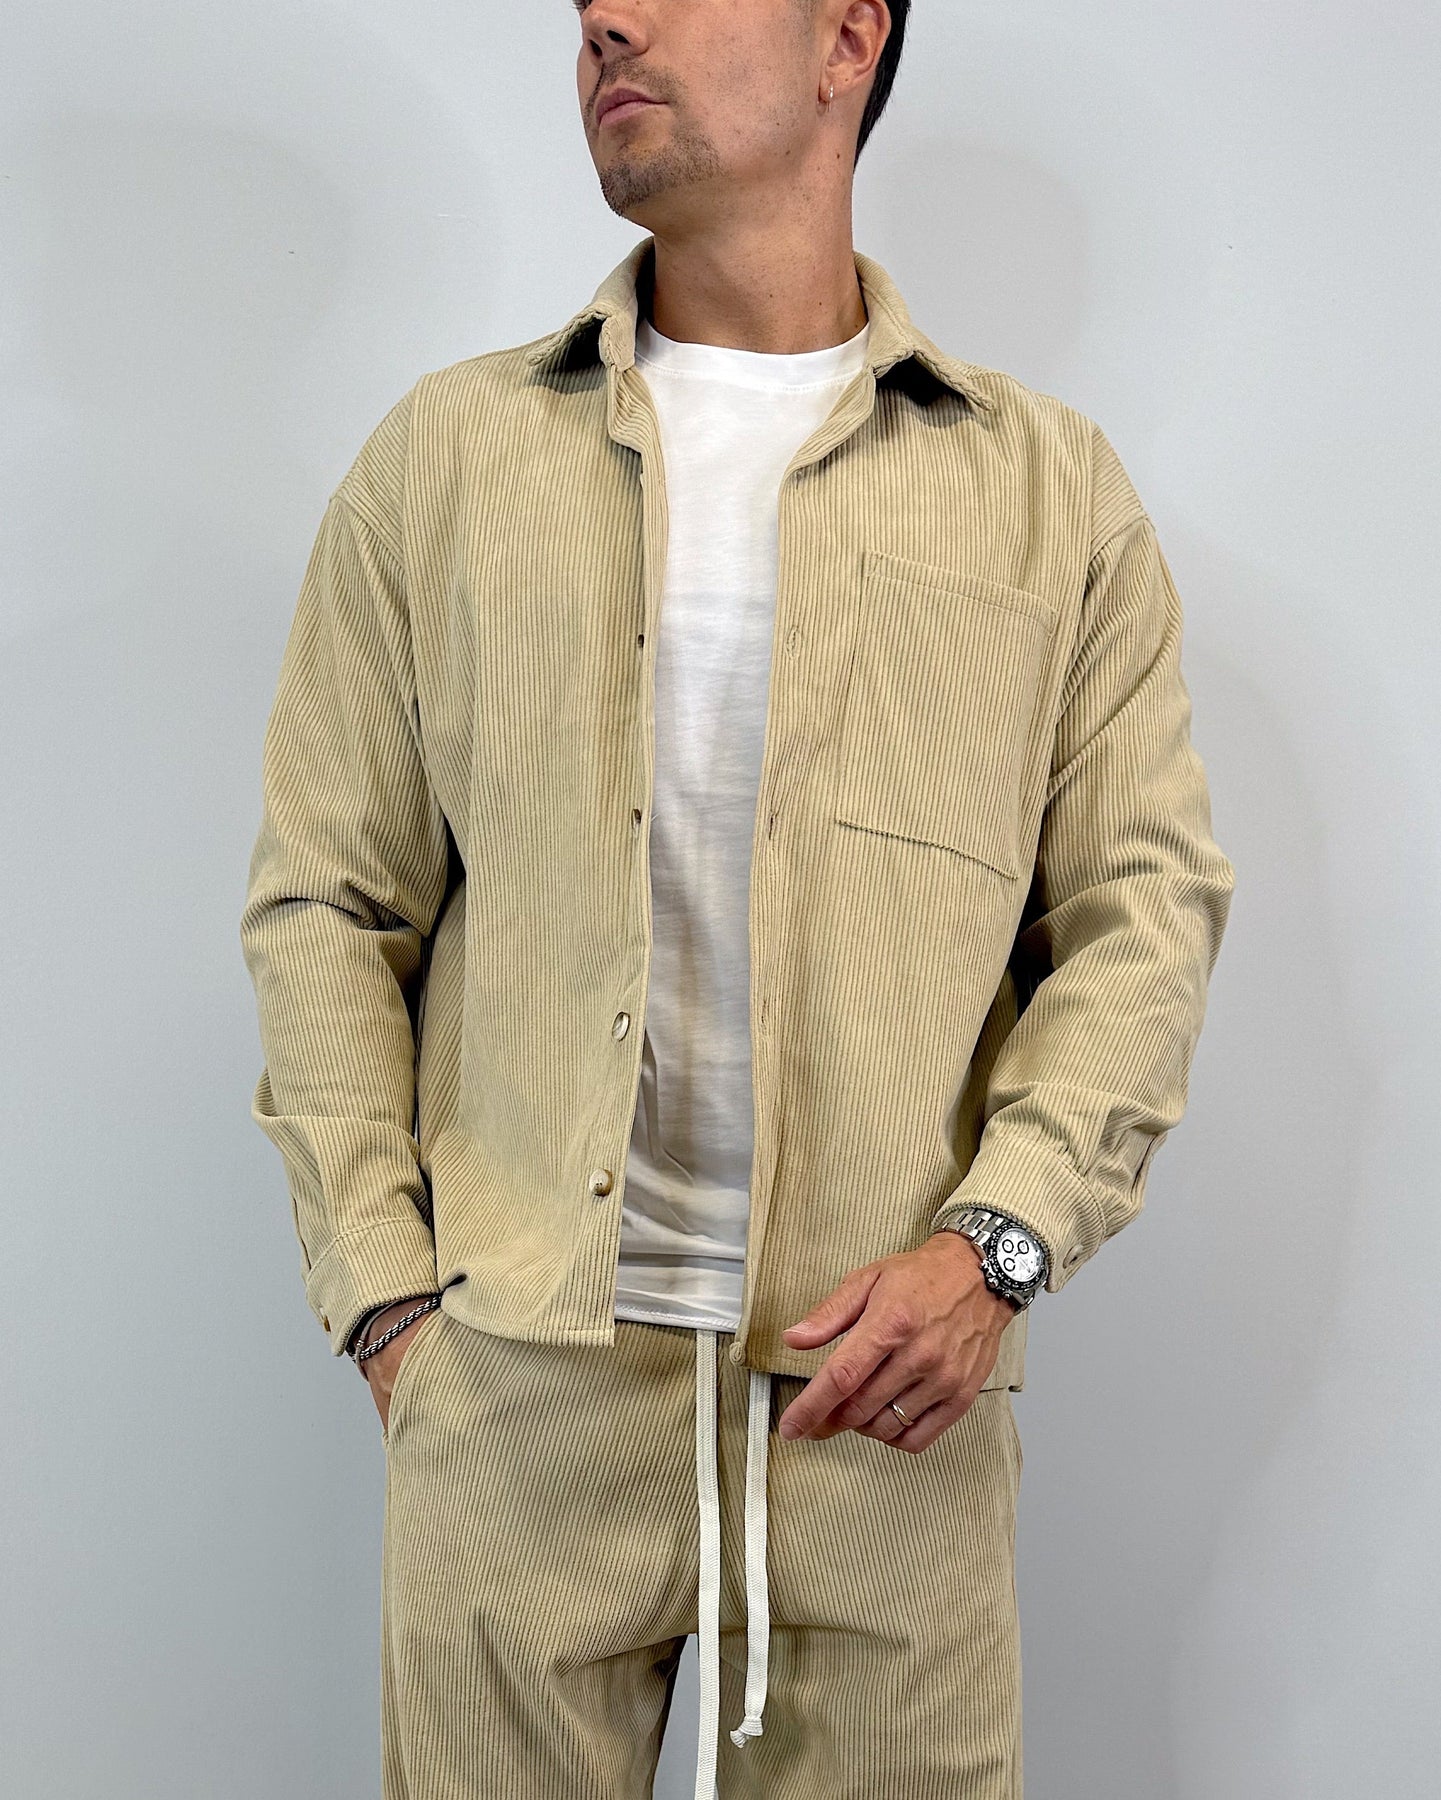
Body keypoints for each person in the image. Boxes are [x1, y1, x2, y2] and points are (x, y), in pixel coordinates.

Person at [239, 3, 1236, 1796]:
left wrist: (995, 1250)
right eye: (582, 2)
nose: (603, 20)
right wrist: (388, 1304)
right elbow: (325, 899)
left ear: (847, 36)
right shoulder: (442, 463)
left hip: (886, 1396)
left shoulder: (1045, 492)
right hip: (520, 1386)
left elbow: (1137, 912)